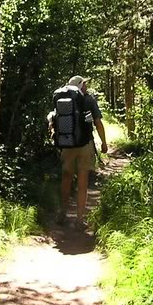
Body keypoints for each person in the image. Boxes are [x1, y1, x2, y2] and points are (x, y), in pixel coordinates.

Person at [56, 75, 107, 224]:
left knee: (66, 178)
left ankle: (62, 213)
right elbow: (98, 123)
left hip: (67, 144)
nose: (86, 86)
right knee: (82, 181)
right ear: (80, 86)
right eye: (84, 84)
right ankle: (79, 219)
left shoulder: (63, 100)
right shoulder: (88, 100)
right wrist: (104, 142)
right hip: (85, 145)